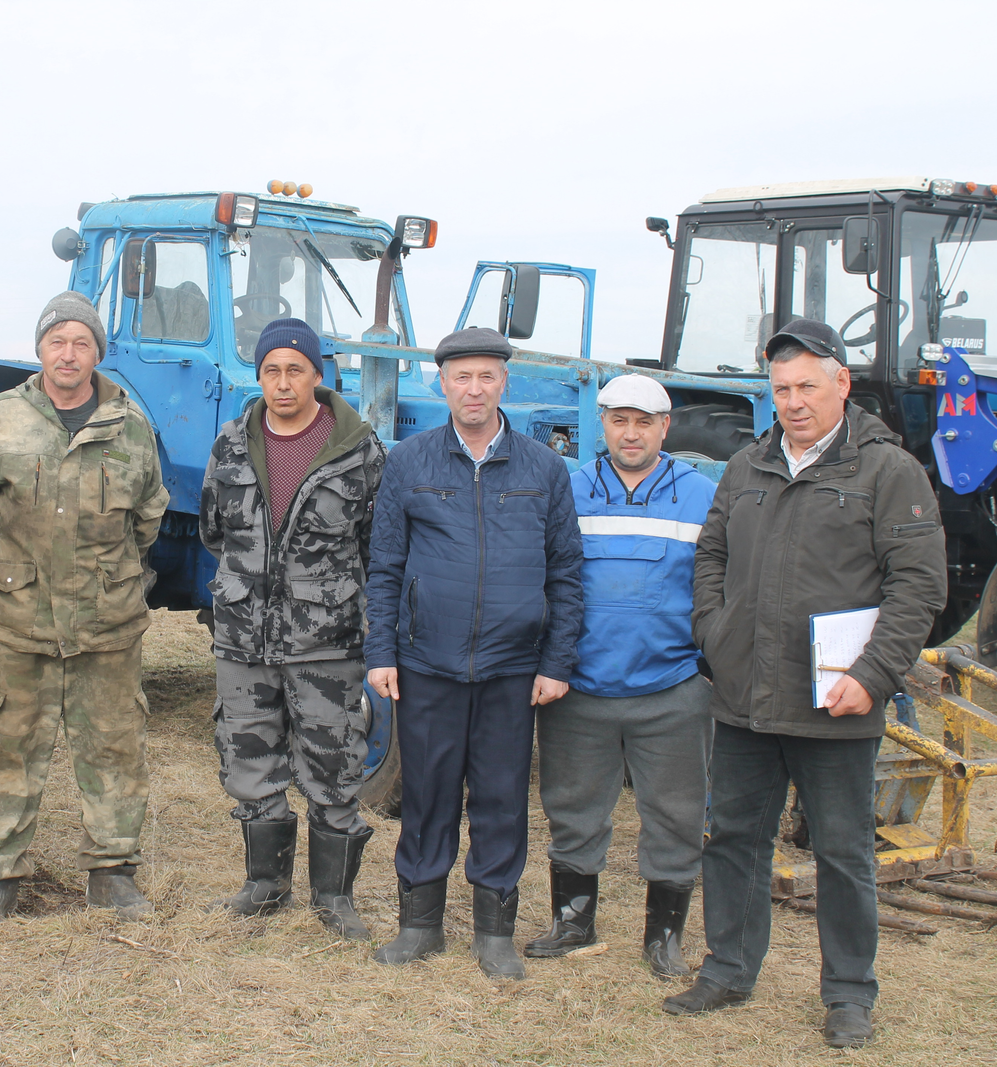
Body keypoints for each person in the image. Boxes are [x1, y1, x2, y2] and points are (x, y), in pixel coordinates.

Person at [666, 319, 946, 1048]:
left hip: (837, 699)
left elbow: (918, 586)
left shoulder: (888, 472)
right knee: (732, 838)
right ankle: (727, 968)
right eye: (781, 389)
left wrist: (874, 674)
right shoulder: (746, 465)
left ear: (842, 384)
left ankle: (849, 993)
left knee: (844, 850)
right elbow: (712, 555)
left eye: (807, 387)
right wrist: (715, 632)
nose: (793, 402)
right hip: (745, 696)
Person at [364, 326, 583, 977]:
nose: (475, 388)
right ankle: (419, 924)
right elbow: (384, 565)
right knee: (428, 793)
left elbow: (566, 571)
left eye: (487, 375)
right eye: (462, 376)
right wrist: (381, 650)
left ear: (504, 382)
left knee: (500, 795)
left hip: (512, 668)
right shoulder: (410, 461)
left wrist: (555, 660)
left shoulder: (543, 469)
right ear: (442, 383)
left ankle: (494, 933)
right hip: (427, 661)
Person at [0, 291, 169, 924]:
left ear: (97, 352)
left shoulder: (131, 424)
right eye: (58, 341)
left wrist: (103, 576)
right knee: (10, 744)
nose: (69, 353)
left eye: (81, 342)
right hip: (21, 621)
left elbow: (149, 514)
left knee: (113, 745)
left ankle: (111, 871)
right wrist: (15, 570)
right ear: (41, 349)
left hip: (108, 621)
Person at [198, 317, 386, 937]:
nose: (283, 384)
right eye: (272, 371)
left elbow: (374, 544)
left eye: (295, 371)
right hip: (242, 635)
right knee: (248, 752)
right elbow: (214, 531)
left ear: (318, 375)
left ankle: (333, 898)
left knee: (333, 760)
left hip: (326, 640)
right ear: (260, 376)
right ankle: (265, 883)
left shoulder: (358, 453)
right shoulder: (230, 444)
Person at [525, 374, 716, 977]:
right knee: (573, 808)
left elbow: (722, 589)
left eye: (644, 422)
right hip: (580, 690)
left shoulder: (703, 496)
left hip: (672, 690)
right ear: (601, 424)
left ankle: (664, 938)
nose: (630, 434)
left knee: (678, 815)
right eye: (619, 421)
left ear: (666, 427)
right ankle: (572, 923)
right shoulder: (567, 488)